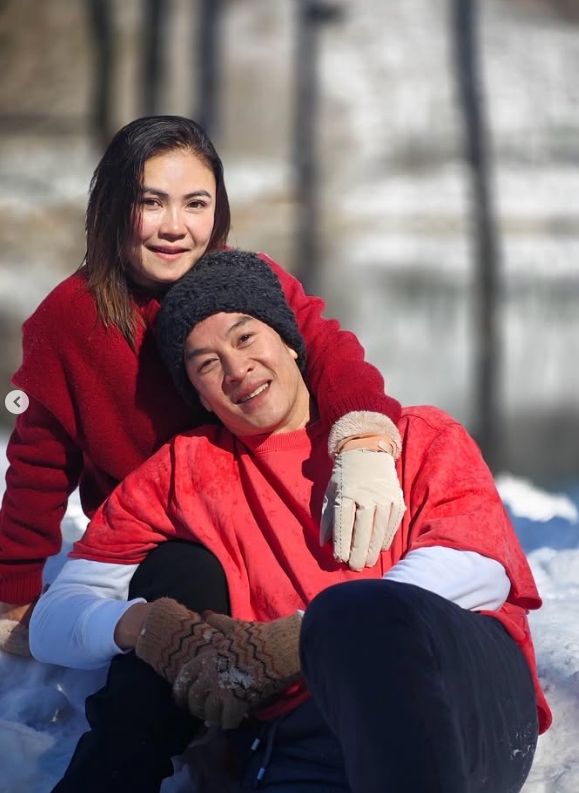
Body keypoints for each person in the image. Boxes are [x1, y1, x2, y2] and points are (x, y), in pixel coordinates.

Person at [30, 250, 551, 793]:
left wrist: (303, 638)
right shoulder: (184, 471)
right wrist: (146, 627)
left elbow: (479, 567)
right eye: (206, 364)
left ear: (290, 341)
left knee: (357, 611)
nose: (237, 370)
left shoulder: (415, 436)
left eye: (246, 337)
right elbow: (54, 620)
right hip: (305, 732)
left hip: (459, 701)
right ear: (197, 395)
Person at [0, 115, 405, 656]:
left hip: (274, 503)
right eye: (151, 202)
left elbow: (328, 346)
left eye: (195, 203)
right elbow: (39, 466)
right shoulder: (67, 320)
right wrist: (14, 590)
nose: (175, 226)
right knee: (190, 601)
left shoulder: (243, 277)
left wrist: (363, 443)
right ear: (112, 206)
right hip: (168, 535)